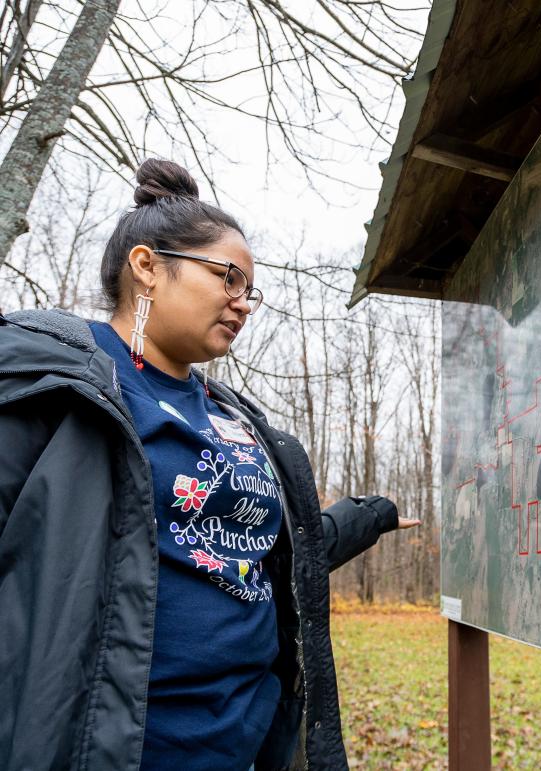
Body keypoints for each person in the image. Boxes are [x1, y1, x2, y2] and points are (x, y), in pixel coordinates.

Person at [0, 158, 418, 771]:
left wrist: (370, 517)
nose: (243, 303)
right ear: (146, 267)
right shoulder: (49, 389)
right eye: (228, 278)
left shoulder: (235, 418)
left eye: (250, 289)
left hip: (250, 746)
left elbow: (260, 548)